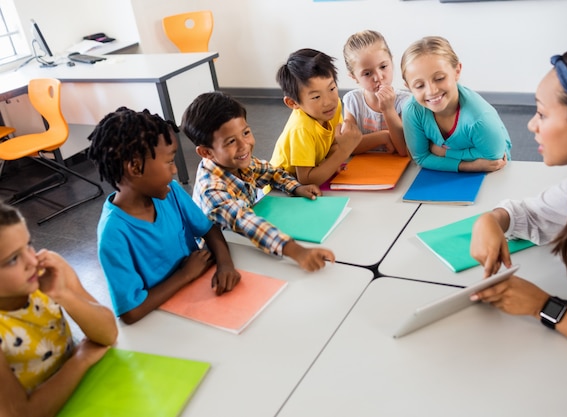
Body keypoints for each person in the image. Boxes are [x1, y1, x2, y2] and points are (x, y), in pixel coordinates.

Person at [469, 46, 567, 416]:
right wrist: (491, 220)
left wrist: (545, 307)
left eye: (541, 113)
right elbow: (533, 212)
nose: (530, 125)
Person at [87, 107, 241, 325]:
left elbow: (209, 229)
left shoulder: (172, 192)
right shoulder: (113, 234)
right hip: (162, 319)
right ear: (135, 167)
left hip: (201, 297)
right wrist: (185, 275)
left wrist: (225, 264)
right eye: (169, 162)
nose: (175, 170)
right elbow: (130, 312)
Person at [181, 92, 336, 272]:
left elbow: (272, 173)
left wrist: (296, 188)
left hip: (245, 242)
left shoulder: (238, 161)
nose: (244, 145)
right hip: (221, 257)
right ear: (207, 153)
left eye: (246, 132)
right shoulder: (211, 189)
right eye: (231, 141)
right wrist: (297, 252)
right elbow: (244, 221)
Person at [0, 203, 118, 416]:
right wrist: (80, 360)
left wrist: (63, 294)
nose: (31, 261)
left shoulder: (46, 271)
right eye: (12, 259)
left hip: (83, 391)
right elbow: (19, 413)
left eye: (28, 245)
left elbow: (108, 333)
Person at [400, 36, 511, 172]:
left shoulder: (480, 119)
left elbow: (494, 160)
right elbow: (421, 158)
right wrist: (468, 166)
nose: (431, 91)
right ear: (408, 87)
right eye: (419, 85)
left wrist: (444, 153)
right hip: (459, 169)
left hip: (493, 172)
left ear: (457, 71)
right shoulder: (412, 110)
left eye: (439, 78)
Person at [269, 48, 362, 186]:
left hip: (312, 174)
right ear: (293, 103)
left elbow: (333, 144)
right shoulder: (301, 129)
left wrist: (333, 160)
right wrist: (344, 151)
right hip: (281, 189)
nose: (328, 101)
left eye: (332, 89)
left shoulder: (334, 106)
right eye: (316, 97)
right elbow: (306, 180)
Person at [342, 30, 410, 156]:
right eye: (367, 73)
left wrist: (388, 109)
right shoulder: (353, 101)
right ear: (354, 77)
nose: (378, 77)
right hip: (363, 170)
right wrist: (383, 136)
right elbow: (347, 148)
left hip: (397, 170)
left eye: (383, 67)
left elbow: (403, 149)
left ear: (391, 61)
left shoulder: (405, 102)